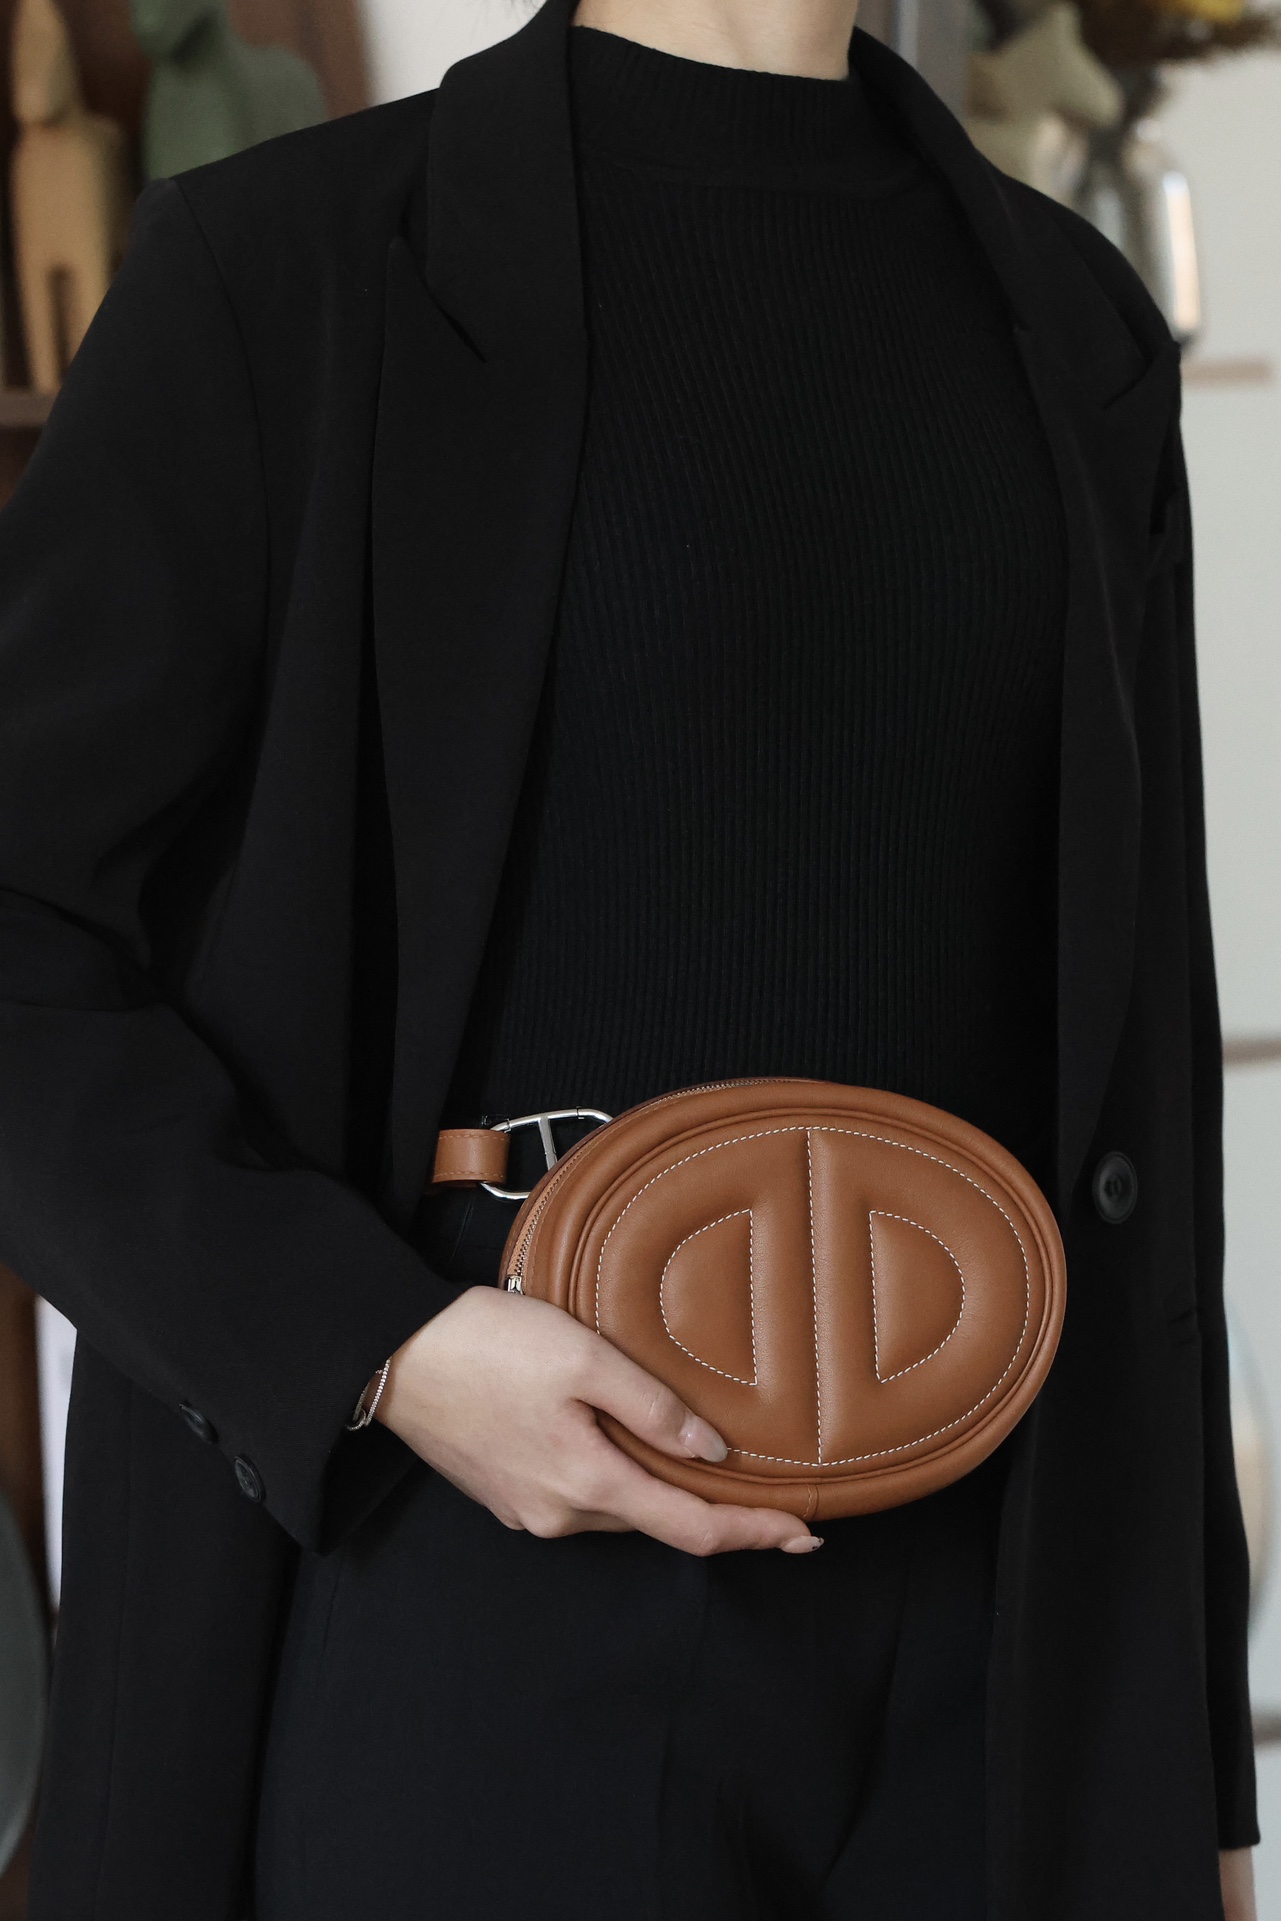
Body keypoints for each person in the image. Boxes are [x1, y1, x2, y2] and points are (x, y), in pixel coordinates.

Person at [0, 0, 1258, 1914]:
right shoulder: (285, 275)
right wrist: (375, 1350)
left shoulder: (1070, 317)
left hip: (1005, 1658)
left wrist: (1197, 1786)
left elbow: (1142, 1068)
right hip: (476, 1604)